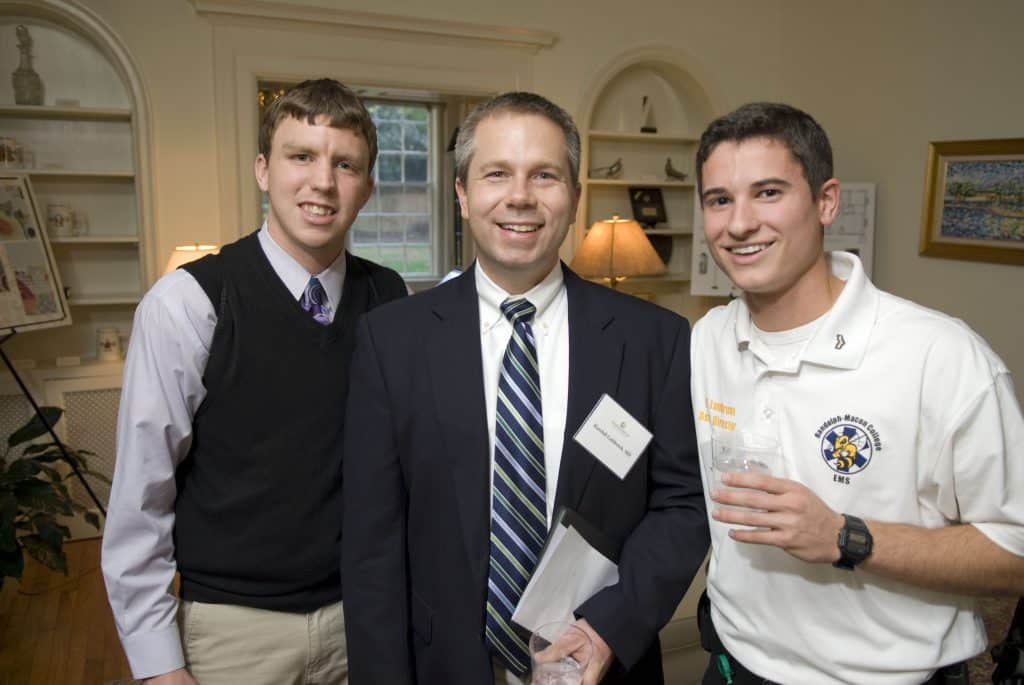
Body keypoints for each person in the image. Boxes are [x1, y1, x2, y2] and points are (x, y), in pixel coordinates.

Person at [341, 91, 709, 685]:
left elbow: (683, 505)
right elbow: (372, 546)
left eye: (544, 175)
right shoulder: (392, 342)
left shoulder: (653, 341)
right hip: (443, 665)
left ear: (574, 197)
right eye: (496, 174)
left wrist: (608, 627)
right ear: (462, 194)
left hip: (599, 664)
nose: (520, 196)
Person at [691, 101, 1024, 685]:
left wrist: (848, 537)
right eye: (719, 199)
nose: (739, 223)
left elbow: (1017, 553)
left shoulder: (939, 357)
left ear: (826, 201)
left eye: (768, 192)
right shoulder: (707, 341)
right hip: (733, 665)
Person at [101, 78, 407, 685]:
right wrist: (160, 666)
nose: (322, 182)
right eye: (301, 157)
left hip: (363, 617)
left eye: (345, 164)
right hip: (234, 631)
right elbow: (142, 495)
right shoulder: (188, 304)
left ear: (367, 188)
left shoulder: (390, 298)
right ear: (263, 170)